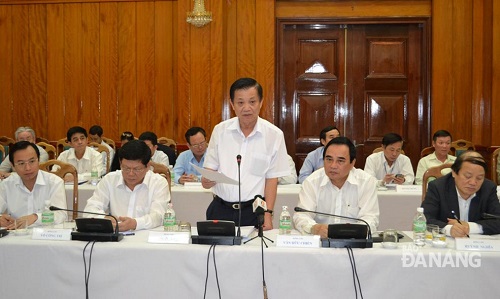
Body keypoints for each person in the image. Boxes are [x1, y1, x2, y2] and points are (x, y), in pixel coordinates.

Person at [202, 77, 289, 229]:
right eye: (240, 102)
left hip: (254, 211)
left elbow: (271, 180)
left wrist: (268, 214)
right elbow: (209, 169)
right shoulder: (220, 131)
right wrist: (206, 180)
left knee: (254, 252)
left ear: (261, 102)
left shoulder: (274, 135)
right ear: (232, 104)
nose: (246, 108)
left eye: (252, 102)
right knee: (215, 252)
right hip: (220, 209)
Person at [293, 137, 379, 238]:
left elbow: (370, 218)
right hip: (320, 242)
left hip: (354, 243)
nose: (333, 166)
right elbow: (301, 215)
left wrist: (353, 232)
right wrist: (314, 228)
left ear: (352, 163)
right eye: (329, 159)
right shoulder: (312, 181)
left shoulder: (366, 182)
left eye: (340, 161)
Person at [83, 140, 169, 231]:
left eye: (137, 169)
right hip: (115, 238)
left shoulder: (159, 183)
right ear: (120, 164)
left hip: (145, 238)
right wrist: (103, 219)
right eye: (126, 168)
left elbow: (158, 216)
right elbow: (90, 208)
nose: (131, 174)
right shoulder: (109, 180)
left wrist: (135, 223)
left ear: (148, 166)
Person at [422, 152, 500, 237]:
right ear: (454, 172)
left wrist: (469, 226)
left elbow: (497, 220)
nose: (473, 182)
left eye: (479, 178)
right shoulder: (438, 187)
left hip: (478, 246)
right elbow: (425, 219)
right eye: (467, 176)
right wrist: (449, 229)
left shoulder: (488, 188)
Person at [0, 141, 67, 229]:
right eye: (21, 163)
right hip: (15, 236)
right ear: (13, 166)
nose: (27, 168)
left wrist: (36, 218)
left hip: (45, 237)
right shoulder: (6, 185)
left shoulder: (54, 182)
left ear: (39, 160)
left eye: (32, 161)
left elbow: (61, 215)